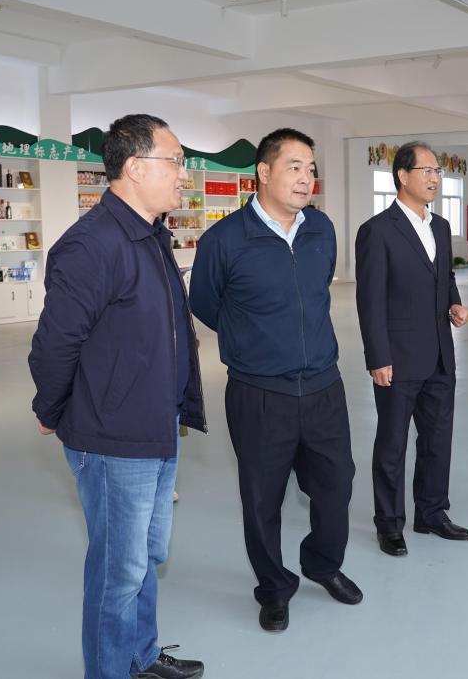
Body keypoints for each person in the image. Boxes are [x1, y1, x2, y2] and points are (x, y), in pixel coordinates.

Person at [28, 114, 206, 679]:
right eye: (174, 161)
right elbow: (55, 343)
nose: (184, 174)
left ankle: (140, 657)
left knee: (146, 558)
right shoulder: (93, 245)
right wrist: (52, 409)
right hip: (113, 437)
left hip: (156, 425)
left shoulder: (150, 235)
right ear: (134, 167)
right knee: (118, 571)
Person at [190, 128, 360, 634]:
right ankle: (274, 588)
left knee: (336, 485)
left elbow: (317, 288)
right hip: (260, 393)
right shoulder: (224, 240)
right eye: (294, 167)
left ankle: (323, 564)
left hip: (324, 385)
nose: (306, 178)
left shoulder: (321, 229)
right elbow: (205, 304)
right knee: (262, 499)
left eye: (311, 168)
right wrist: (254, 341)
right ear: (263, 172)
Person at [355, 141, 468, 558]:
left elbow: (445, 276)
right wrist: (378, 357)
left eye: (438, 171)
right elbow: (370, 300)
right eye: (427, 170)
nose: (435, 178)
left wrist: (454, 303)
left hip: (440, 352)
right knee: (392, 445)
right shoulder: (377, 231)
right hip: (398, 357)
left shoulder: (440, 226)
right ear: (402, 176)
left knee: (438, 439)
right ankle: (389, 524)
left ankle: (432, 513)